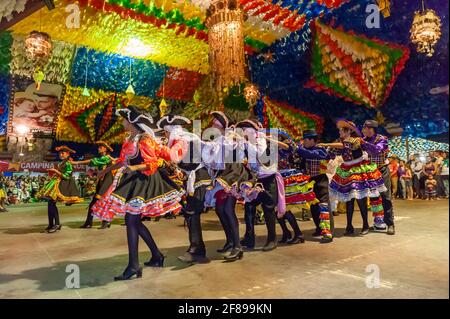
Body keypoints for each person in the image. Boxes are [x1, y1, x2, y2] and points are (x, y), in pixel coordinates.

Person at [92, 106, 184, 280]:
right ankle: (156, 256)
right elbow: (122, 161)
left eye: (124, 119)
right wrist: (103, 172)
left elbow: (152, 164)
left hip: (144, 181)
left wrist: (133, 167)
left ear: (132, 121)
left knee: (131, 221)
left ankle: (135, 265)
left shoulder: (145, 139)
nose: (122, 122)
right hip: (133, 180)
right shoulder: (130, 138)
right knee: (133, 222)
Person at [157, 114, 211, 264]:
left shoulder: (186, 140)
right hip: (195, 178)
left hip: (199, 177)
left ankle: (197, 250)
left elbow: (189, 163)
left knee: (192, 212)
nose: (165, 135)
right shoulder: (186, 138)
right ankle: (197, 248)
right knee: (191, 214)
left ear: (172, 130)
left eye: (166, 132)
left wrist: (176, 167)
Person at [321, 120, 387, 236]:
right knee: (348, 200)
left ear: (348, 131)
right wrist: (324, 151)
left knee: (361, 200)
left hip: (358, 170)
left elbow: (345, 145)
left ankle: (365, 225)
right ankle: (349, 226)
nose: (340, 132)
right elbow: (331, 154)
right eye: (340, 130)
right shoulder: (339, 142)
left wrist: (326, 144)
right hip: (346, 170)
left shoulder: (356, 140)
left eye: (342, 130)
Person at [202, 111, 251, 261]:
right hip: (224, 175)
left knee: (228, 210)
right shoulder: (218, 141)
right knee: (220, 209)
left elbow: (237, 153)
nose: (213, 127)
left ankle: (237, 247)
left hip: (234, 175)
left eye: (215, 125)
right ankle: (230, 241)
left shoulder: (232, 138)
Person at [235, 120, 289, 251]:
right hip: (254, 179)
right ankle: (249, 238)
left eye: (245, 129)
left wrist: (248, 143)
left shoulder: (262, 141)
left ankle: (272, 239)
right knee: (249, 207)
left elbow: (263, 158)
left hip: (268, 178)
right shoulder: (245, 143)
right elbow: (241, 159)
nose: (242, 132)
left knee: (268, 208)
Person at [296, 129, 334, 242]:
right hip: (309, 180)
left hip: (320, 180)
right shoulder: (303, 150)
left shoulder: (320, 150)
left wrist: (298, 149)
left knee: (324, 206)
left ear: (312, 140)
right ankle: (319, 228)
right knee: (313, 207)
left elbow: (313, 155)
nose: (304, 142)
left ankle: (328, 232)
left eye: (306, 140)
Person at [36, 146, 83, 233]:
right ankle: (52, 224)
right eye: (60, 153)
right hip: (56, 183)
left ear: (67, 154)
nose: (61, 154)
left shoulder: (68, 163)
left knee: (52, 204)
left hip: (62, 185)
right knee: (50, 204)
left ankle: (56, 224)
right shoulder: (62, 163)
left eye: (63, 153)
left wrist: (56, 171)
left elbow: (67, 176)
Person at [71, 141, 116, 229]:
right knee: (99, 202)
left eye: (101, 147)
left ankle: (101, 222)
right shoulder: (104, 158)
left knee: (100, 202)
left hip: (107, 182)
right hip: (102, 182)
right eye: (98, 147)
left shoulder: (106, 158)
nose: (98, 148)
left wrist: (76, 163)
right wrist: (94, 173)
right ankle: (100, 222)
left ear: (105, 149)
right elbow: (99, 170)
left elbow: (92, 161)